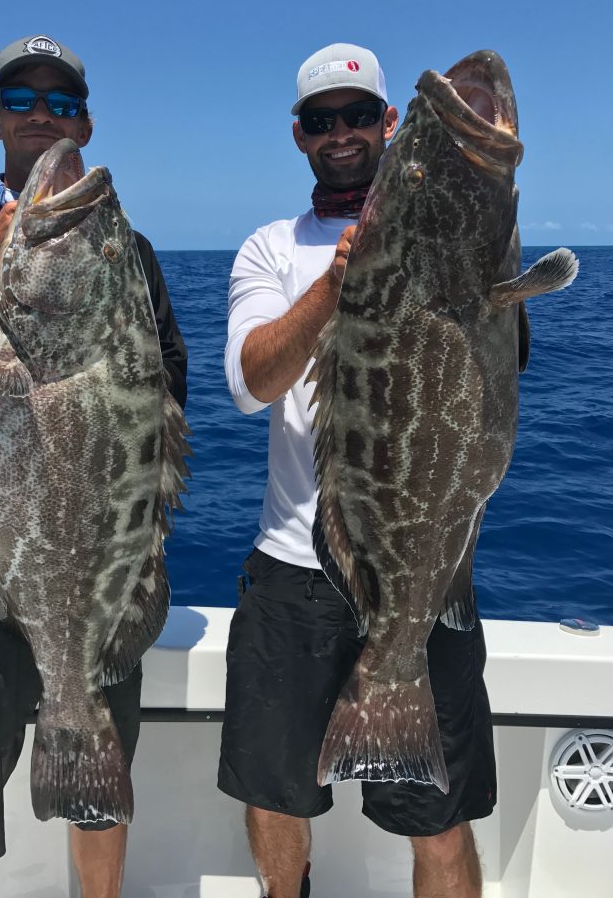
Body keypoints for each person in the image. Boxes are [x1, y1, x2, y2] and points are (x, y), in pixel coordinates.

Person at [0, 34, 188, 898]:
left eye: (60, 104)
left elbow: (168, 398)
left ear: (86, 123)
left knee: (101, 813)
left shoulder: (127, 254)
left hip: (96, 567)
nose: (41, 118)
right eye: (21, 102)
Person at [219, 43, 496, 898]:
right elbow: (248, 383)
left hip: (424, 568)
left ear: (390, 122)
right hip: (294, 576)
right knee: (276, 799)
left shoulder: (456, 242)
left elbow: (494, 371)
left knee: (438, 820)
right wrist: (338, 284)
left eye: (354, 116)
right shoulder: (270, 248)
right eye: (319, 120)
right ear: (300, 136)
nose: (338, 133)